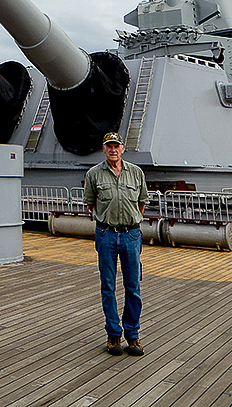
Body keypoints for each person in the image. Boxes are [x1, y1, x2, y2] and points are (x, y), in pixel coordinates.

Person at [83, 131, 148, 357]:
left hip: (131, 235)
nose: (113, 150)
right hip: (106, 235)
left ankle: (132, 335)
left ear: (122, 149)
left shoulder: (136, 173)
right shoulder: (94, 174)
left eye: (116, 146)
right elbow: (91, 204)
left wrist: (130, 223)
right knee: (108, 287)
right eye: (109, 146)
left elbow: (142, 203)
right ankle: (113, 336)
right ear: (104, 149)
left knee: (133, 287)